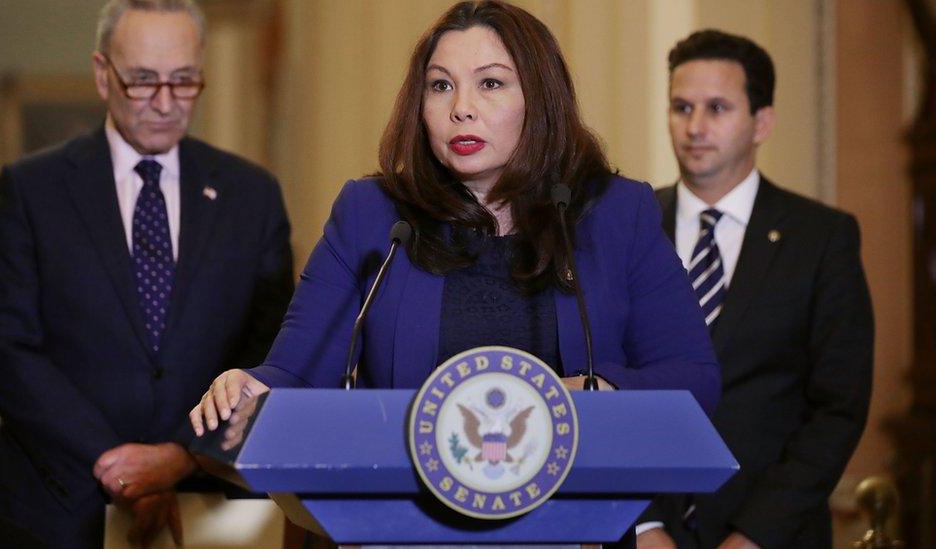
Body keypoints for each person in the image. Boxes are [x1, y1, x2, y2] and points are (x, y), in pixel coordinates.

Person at [192, 0, 720, 544]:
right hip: (404, 532)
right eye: (440, 86)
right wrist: (249, 388)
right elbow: (297, 374)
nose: (461, 108)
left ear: (540, 99)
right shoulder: (373, 215)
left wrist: (592, 389)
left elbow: (693, 377)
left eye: (490, 84)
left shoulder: (615, 213)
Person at [0, 0, 294, 546]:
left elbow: (269, 353)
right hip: (58, 499)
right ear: (103, 75)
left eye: (185, 81)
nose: (166, 103)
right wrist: (112, 461)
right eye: (143, 81)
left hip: (206, 503)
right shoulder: (34, 189)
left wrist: (177, 456)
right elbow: (6, 349)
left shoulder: (252, 196)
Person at [636, 29, 874, 549]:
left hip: (774, 532)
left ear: (761, 121)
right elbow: (600, 382)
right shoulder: (628, 226)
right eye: (681, 107)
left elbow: (838, 408)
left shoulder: (823, 238)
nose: (694, 127)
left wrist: (753, 536)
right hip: (646, 532)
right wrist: (643, 524)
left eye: (717, 107)